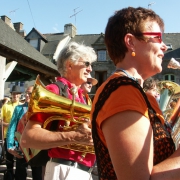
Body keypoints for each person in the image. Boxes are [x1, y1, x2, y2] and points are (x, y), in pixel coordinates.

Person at [90, 7, 180, 180]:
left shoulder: (141, 95)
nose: (164, 46)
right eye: (158, 37)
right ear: (131, 42)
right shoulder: (121, 91)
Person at [21, 42, 97, 180]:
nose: (90, 69)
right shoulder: (54, 91)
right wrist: (74, 136)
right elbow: (28, 139)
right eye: (86, 64)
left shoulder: (84, 97)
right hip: (65, 170)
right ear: (69, 65)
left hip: (84, 171)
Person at [6, 85, 42, 180]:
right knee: (20, 175)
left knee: (37, 175)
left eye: (29, 93)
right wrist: (10, 146)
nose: (26, 95)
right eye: (26, 93)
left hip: (36, 149)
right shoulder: (18, 108)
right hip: (21, 147)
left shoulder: (41, 109)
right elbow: (12, 127)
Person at [1, 85, 22, 179]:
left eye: (17, 94)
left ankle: (18, 175)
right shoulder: (6, 106)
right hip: (8, 135)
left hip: (19, 136)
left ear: (20, 95)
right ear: (11, 95)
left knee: (19, 158)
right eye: (14, 94)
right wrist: (9, 126)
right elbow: (0, 121)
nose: (15, 96)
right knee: (9, 158)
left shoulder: (22, 106)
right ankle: (9, 175)